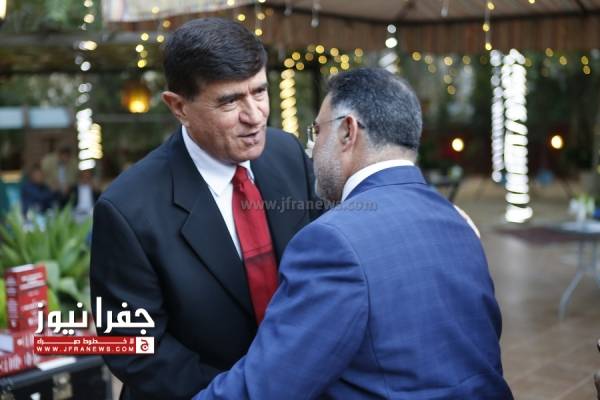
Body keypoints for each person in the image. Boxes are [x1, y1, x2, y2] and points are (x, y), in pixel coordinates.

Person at [194, 68, 513, 399]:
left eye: (317, 131)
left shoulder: (332, 242)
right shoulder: (458, 222)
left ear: (347, 131)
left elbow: (267, 388)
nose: (312, 149)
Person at [89, 18, 320, 400]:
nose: (255, 115)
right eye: (230, 101)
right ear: (178, 107)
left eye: (260, 91)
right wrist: (240, 393)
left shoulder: (288, 154)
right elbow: (132, 347)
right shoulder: (127, 209)